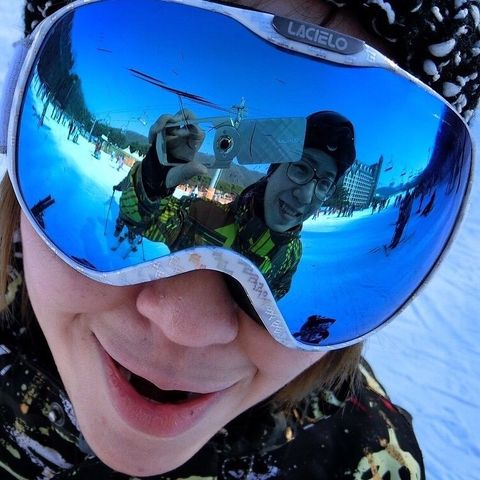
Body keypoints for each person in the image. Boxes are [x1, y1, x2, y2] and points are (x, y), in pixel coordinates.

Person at [0, 1, 477, 479]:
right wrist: (153, 174)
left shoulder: (367, 464)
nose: (185, 326)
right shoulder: (206, 213)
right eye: (300, 169)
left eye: (322, 183)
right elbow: (143, 220)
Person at [112, 109, 355, 300]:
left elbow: (272, 299)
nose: (306, 196)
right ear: (273, 170)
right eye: (300, 168)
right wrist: (152, 181)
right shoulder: (201, 216)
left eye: (325, 184)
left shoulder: (291, 253)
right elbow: (137, 226)